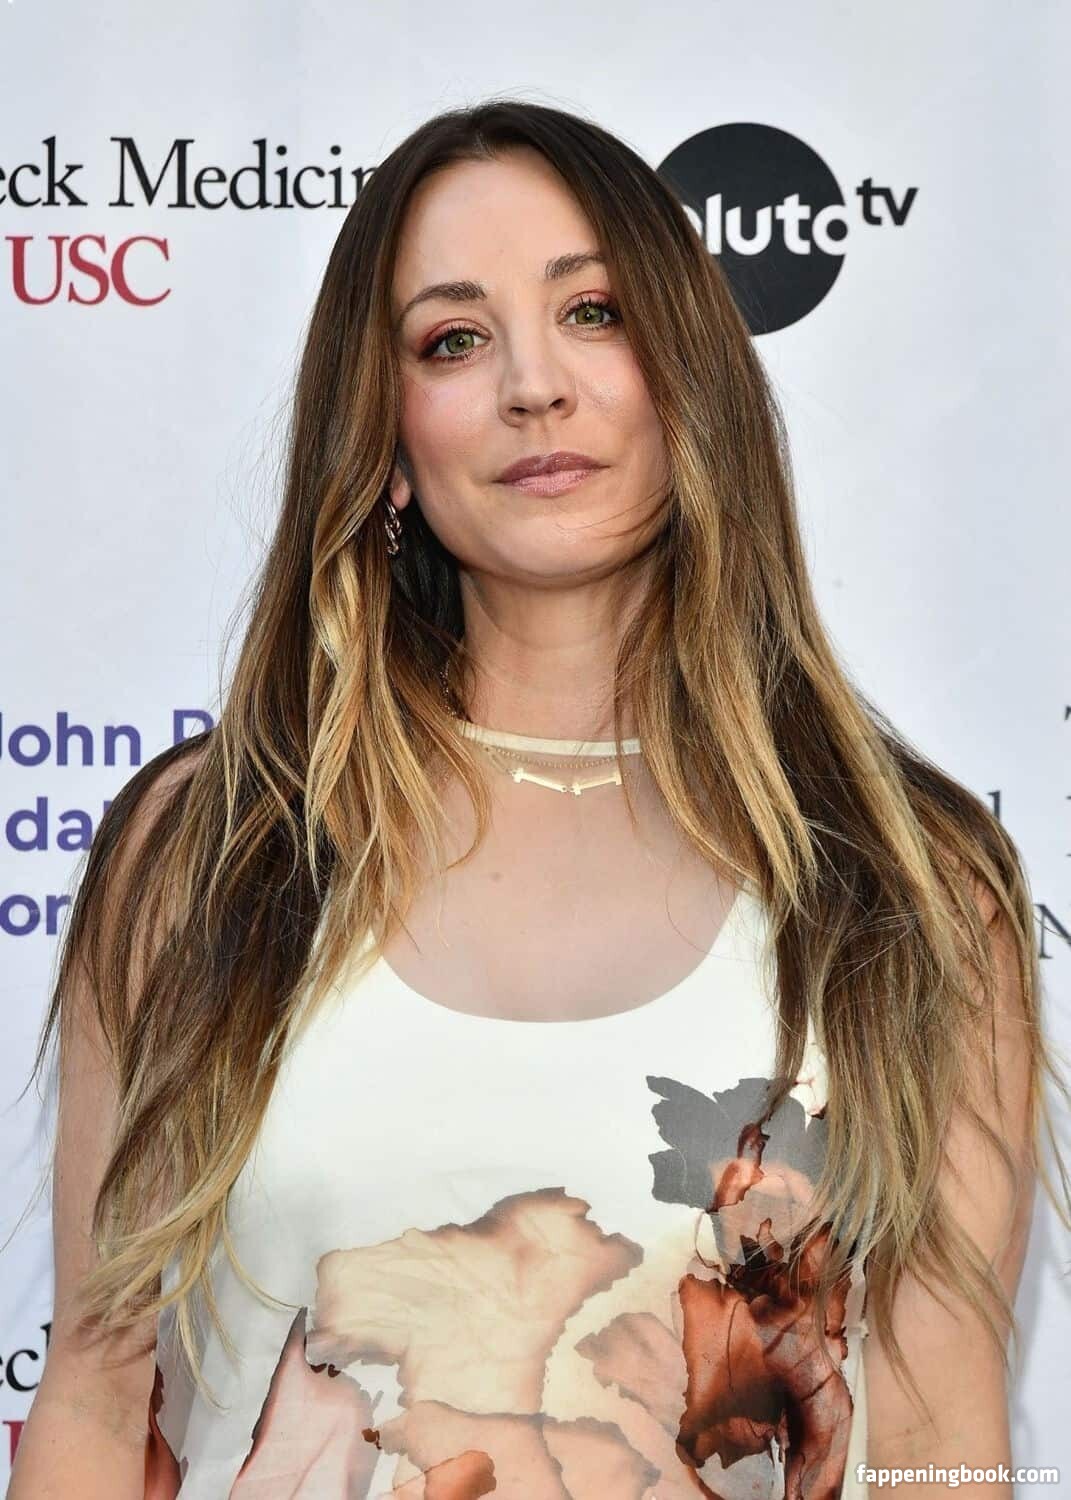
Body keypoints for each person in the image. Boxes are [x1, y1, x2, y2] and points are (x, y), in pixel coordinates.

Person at [10, 98, 1068, 1500]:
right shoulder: (210, 851)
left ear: (688, 379)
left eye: (593, 312)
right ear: (386, 440)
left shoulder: (906, 876)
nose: (532, 384)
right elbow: (94, 1402)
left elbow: (939, 1447)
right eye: (454, 338)